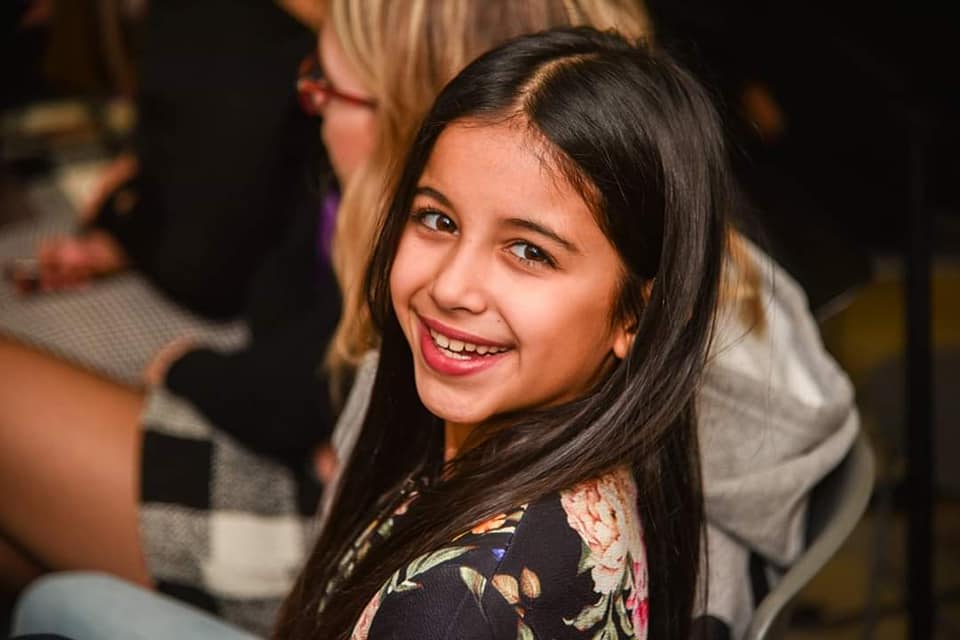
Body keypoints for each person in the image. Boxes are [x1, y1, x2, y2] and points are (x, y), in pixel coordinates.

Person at [19, 25, 731, 640]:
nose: (449, 286)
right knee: (52, 600)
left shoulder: (455, 608)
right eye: (438, 219)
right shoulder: (547, 438)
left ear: (635, 315)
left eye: (529, 251)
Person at [0, 0, 321, 384]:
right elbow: (163, 136)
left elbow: (209, 274)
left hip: (246, 304)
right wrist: (118, 228)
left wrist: (130, 229)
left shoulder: (306, 41)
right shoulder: (181, 19)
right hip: (190, 258)